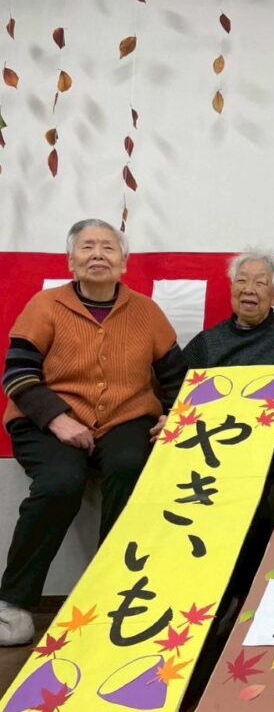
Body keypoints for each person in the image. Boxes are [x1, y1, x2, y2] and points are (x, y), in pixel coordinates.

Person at [0, 219, 185, 646]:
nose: (98, 254)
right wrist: (57, 419)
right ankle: (14, 602)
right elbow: (18, 374)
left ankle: (114, 590)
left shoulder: (147, 312)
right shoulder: (45, 306)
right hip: (47, 419)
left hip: (126, 417)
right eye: (87, 247)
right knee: (60, 481)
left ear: (124, 262)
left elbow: (176, 377)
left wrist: (174, 415)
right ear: (71, 260)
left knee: (130, 467)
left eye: (108, 247)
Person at [183, 248, 274, 532]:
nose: (249, 289)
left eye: (260, 282)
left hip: (268, 435)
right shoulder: (206, 343)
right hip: (211, 438)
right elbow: (179, 392)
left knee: (252, 497)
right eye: (241, 280)